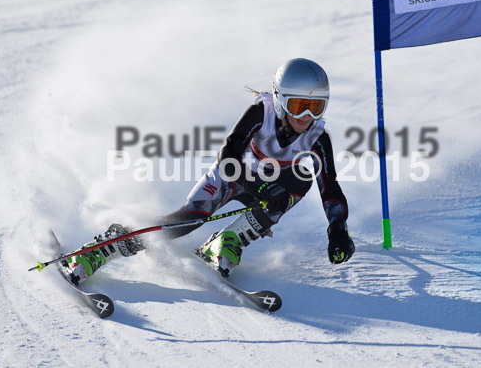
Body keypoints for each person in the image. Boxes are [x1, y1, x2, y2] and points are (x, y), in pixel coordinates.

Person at [62, 58, 355, 285]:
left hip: (269, 189)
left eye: (317, 107)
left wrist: (337, 228)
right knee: (187, 221)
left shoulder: (317, 138)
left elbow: (330, 187)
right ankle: (101, 249)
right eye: (300, 106)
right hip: (232, 177)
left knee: (301, 180)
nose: (308, 116)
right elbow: (228, 155)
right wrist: (261, 188)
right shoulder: (261, 113)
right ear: (280, 100)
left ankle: (228, 241)